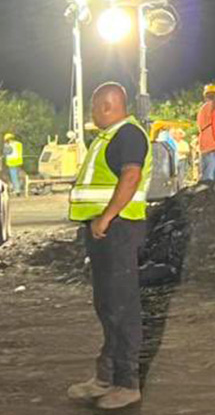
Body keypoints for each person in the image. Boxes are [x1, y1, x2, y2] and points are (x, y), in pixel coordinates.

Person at [66, 82, 153, 410]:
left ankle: (127, 384)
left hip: (118, 231)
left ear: (106, 105)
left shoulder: (127, 135)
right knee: (107, 306)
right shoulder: (110, 136)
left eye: (93, 106)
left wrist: (105, 217)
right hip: (106, 233)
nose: (91, 113)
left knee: (122, 307)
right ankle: (105, 377)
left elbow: (130, 177)